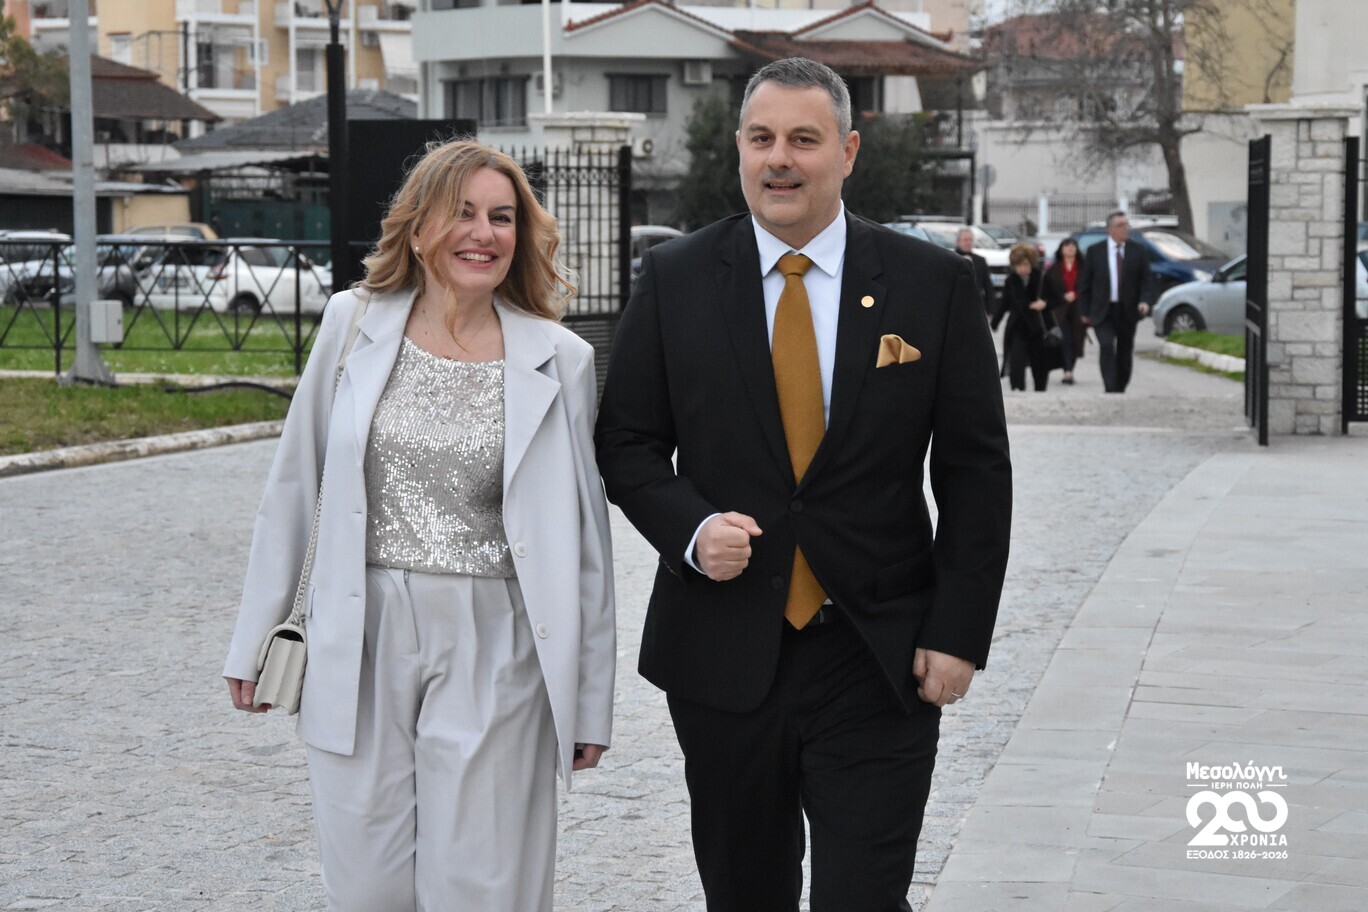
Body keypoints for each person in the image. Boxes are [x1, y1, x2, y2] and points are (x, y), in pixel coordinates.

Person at [595, 57, 1012, 912]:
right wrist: (690, 529)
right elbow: (626, 441)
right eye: (761, 139)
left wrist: (959, 631)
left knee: (865, 897)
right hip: (722, 656)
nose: (779, 158)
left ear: (848, 151)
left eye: (803, 139)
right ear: (740, 150)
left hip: (878, 654)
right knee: (745, 895)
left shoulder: (930, 283)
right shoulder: (675, 279)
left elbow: (975, 471)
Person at [222, 139, 616, 912]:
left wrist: (588, 698)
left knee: (482, 884)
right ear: (418, 225)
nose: (484, 233)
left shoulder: (560, 359)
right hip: (359, 631)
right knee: (365, 882)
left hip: (497, 642)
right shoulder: (352, 323)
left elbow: (584, 544)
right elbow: (295, 482)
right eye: (463, 213)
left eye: (502, 217)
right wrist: (253, 636)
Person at [1079, 211, 1153, 392]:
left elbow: (1146, 281)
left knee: (1124, 350)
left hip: (1127, 310)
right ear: (1110, 229)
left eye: (1127, 225)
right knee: (1106, 345)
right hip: (1103, 310)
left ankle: (1120, 385)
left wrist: (1145, 301)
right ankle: (1110, 387)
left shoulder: (1138, 251)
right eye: (1121, 225)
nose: (1125, 229)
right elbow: (1085, 284)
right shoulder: (1095, 251)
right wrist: (1084, 311)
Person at [1000, 243, 1057, 392]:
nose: (1022, 269)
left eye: (1025, 264)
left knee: (1039, 361)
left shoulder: (1042, 278)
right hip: (1017, 326)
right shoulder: (1011, 280)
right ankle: (1018, 388)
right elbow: (1004, 303)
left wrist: (1044, 303)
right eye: (1018, 265)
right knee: (1016, 360)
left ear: (1031, 263)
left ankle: (1040, 389)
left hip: (1038, 327)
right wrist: (994, 322)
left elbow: (1057, 298)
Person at [1042, 236, 1085, 385]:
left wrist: (1076, 294)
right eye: (1067, 246)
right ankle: (1068, 372)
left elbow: (1089, 286)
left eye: (1073, 246)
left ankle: (1070, 368)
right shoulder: (1053, 269)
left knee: (1076, 339)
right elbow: (1047, 291)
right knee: (1066, 338)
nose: (1070, 248)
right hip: (1060, 310)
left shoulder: (1084, 267)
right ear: (1061, 249)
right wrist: (1062, 297)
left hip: (1079, 309)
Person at [955, 225, 995, 317]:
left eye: (970, 240)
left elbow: (988, 286)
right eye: (965, 240)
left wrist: (991, 310)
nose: (968, 243)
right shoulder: (951, 259)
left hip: (976, 306)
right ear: (958, 241)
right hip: (956, 306)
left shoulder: (980, 261)